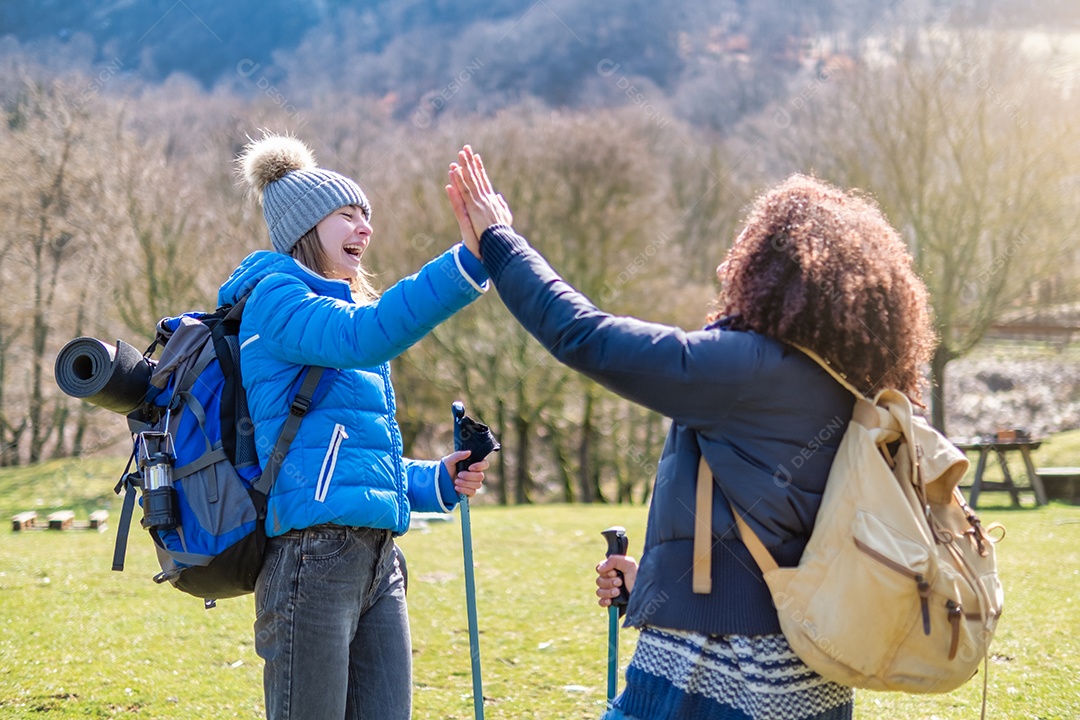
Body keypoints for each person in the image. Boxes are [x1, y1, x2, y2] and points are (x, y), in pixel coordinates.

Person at [446, 146, 935, 720]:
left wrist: (502, 242)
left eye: (745, 251)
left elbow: (585, 336)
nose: (730, 264)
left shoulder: (748, 367)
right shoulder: (857, 386)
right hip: (814, 672)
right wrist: (657, 579)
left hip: (719, 671)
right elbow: (783, 532)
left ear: (772, 271)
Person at [222, 133, 491, 720]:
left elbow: (348, 452)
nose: (365, 227)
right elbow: (366, 334)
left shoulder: (337, 311)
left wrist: (433, 481)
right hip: (311, 558)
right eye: (347, 214)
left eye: (366, 216)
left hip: (378, 559)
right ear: (306, 227)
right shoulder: (277, 300)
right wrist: (467, 262)